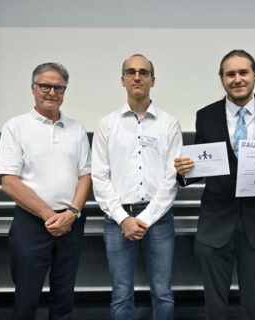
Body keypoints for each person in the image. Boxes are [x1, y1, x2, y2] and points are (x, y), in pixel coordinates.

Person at [174, 49, 255, 320]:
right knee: (214, 303)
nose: (237, 79)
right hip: (215, 221)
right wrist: (184, 172)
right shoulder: (206, 115)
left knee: (253, 302)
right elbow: (202, 165)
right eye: (230, 74)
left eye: (243, 72)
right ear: (221, 79)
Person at [0, 62, 91, 320]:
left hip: (70, 222)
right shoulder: (16, 127)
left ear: (64, 91)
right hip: (32, 223)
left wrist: (71, 213)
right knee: (26, 295)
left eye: (58, 87)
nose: (51, 92)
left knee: (64, 294)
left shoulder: (77, 128)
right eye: (45, 86)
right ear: (33, 88)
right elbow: (9, 182)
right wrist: (50, 215)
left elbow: (85, 175)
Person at [91, 54, 182, 320]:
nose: (137, 77)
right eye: (131, 72)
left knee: (163, 292)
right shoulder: (107, 125)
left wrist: (143, 219)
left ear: (153, 80)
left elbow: (171, 178)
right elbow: (100, 176)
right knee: (121, 294)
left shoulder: (169, 124)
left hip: (159, 221)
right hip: (118, 221)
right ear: (123, 80)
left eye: (143, 72)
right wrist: (124, 219)